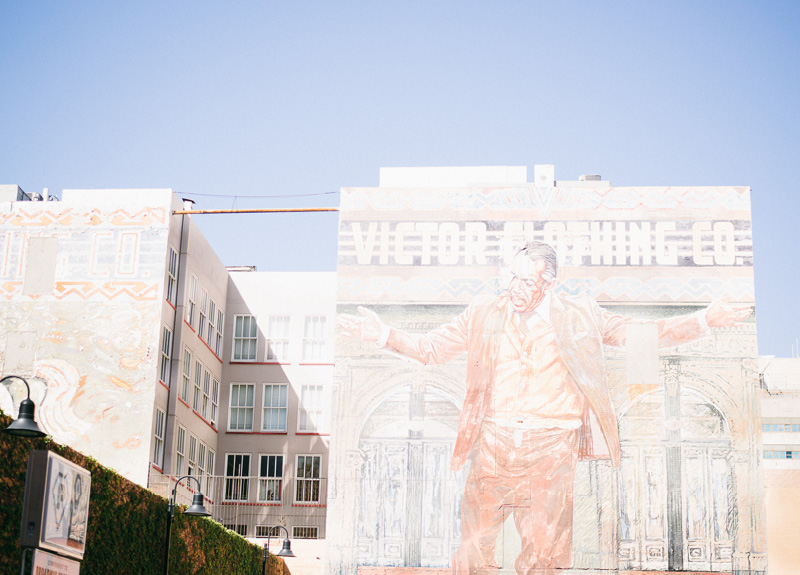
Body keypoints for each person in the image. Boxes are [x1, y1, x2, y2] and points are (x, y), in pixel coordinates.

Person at [338, 241, 751, 574]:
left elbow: (641, 336)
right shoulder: (484, 312)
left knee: (542, 558)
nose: (515, 288)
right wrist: (382, 335)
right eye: (512, 277)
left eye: (526, 281)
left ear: (549, 284)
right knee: (471, 553)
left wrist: (705, 321)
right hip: (492, 445)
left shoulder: (581, 315)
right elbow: (429, 349)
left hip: (552, 451)